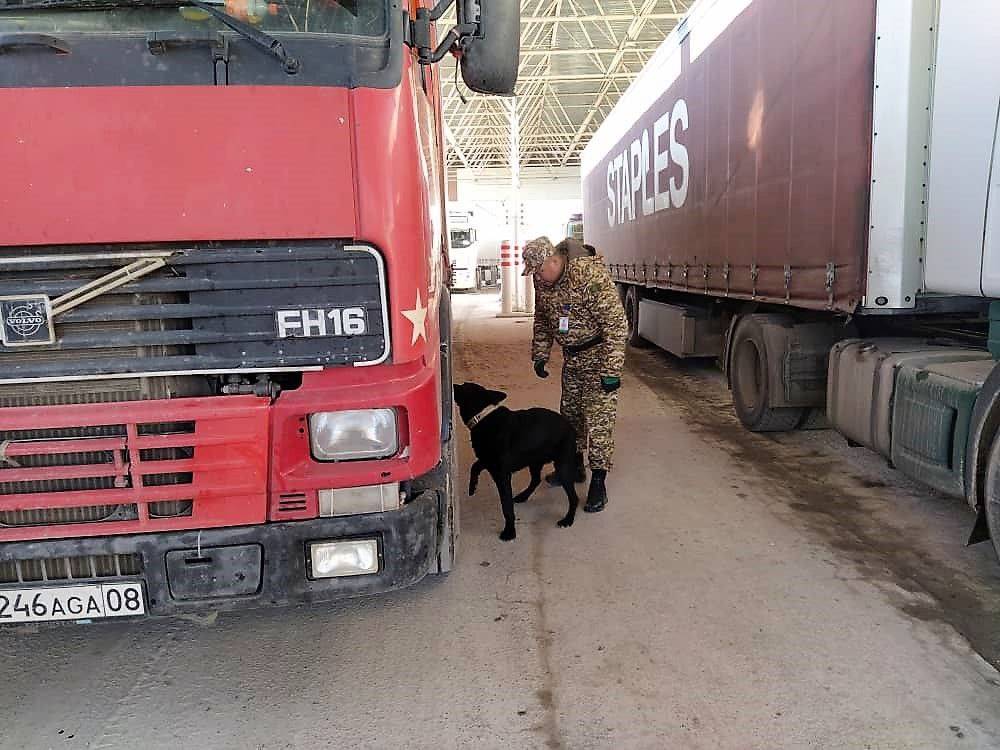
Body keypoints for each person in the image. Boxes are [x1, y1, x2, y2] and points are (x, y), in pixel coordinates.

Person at [522, 236, 628, 512]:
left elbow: (616, 325)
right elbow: (543, 318)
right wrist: (541, 353)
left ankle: (598, 483)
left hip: (599, 356)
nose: (538, 277)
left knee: (598, 421)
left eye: (539, 270)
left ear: (554, 260)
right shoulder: (542, 280)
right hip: (573, 359)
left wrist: (611, 370)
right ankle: (574, 467)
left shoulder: (588, 275)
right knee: (570, 415)